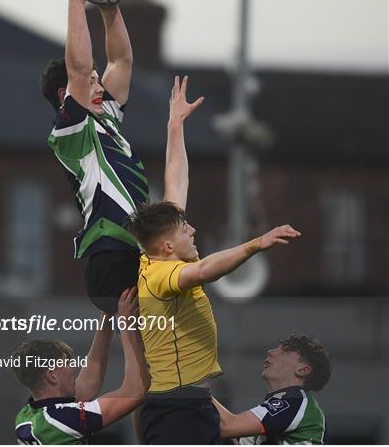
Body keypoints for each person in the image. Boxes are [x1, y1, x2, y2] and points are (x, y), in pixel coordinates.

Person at [127, 76, 302, 445]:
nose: (192, 229)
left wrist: (175, 126)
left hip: (187, 403)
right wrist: (255, 244)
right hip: (178, 408)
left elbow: (176, 183)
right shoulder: (163, 276)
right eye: (185, 228)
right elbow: (206, 270)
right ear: (168, 247)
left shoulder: (157, 258)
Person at [41, 0, 149, 314]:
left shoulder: (108, 118)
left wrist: (110, 7)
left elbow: (121, 62)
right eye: (91, 83)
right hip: (110, 254)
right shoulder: (70, 130)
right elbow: (80, 65)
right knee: (140, 357)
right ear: (65, 96)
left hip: (137, 251)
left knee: (157, 358)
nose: (99, 84)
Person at [12, 288, 149, 444]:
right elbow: (135, 391)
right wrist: (127, 325)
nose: (73, 369)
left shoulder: (26, 416)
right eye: (66, 363)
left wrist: (107, 313)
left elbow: (90, 380)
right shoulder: (64, 420)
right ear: (52, 375)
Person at [213, 334, 332, 444]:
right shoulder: (289, 406)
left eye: (286, 350)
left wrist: (198, 384)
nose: (270, 352)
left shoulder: (295, 403)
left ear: (303, 370)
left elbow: (228, 427)